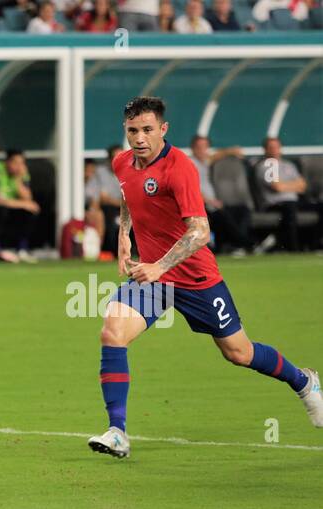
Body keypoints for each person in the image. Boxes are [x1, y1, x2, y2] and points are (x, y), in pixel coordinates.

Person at [89, 96, 321, 459]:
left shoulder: (179, 168)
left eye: (148, 130)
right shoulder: (122, 163)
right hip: (155, 280)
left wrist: (160, 265)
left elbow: (200, 232)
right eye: (133, 130)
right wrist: (124, 233)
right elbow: (127, 194)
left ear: (163, 130)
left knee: (239, 353)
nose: (140, 138)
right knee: (112, 332)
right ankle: (117, 430)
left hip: (197, 280)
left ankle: (304, 381)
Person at [189, 134, 251, 256]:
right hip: (200, 204)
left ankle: (233, 245)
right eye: (199, 147)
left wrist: (231, 151)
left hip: (212, 203)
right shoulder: (190, 163)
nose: (202, 150)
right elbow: (191, 188)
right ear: (193, 148)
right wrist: (209, 201)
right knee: (222, 216)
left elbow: (216, 156)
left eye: (204, 147)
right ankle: (246, 243)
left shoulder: (205, 162)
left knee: (242, 210)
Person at [253, 137, 308, 253]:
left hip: (294, 201)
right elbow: (277, 187)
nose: (274, 150)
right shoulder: (264, 166)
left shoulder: (289, 165)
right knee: (290, 208)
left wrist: (285, 186)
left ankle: (314, 245)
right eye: (271, 148)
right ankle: (294, 249)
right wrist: (294, 186)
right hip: (275, 204)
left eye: (276, 147)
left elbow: (303, 186)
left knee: (319, 207)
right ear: (265, 150)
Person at [0, 149, 40, 262]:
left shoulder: (22, 173)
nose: (19, 166)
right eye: (15, 162)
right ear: (7, 162)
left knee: (31, 212)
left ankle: (21, 249)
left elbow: (28, 199)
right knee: (3, 211)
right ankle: (2, 249)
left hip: (10, 207)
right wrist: (23, 204)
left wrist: (18, 180)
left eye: (21, 163)